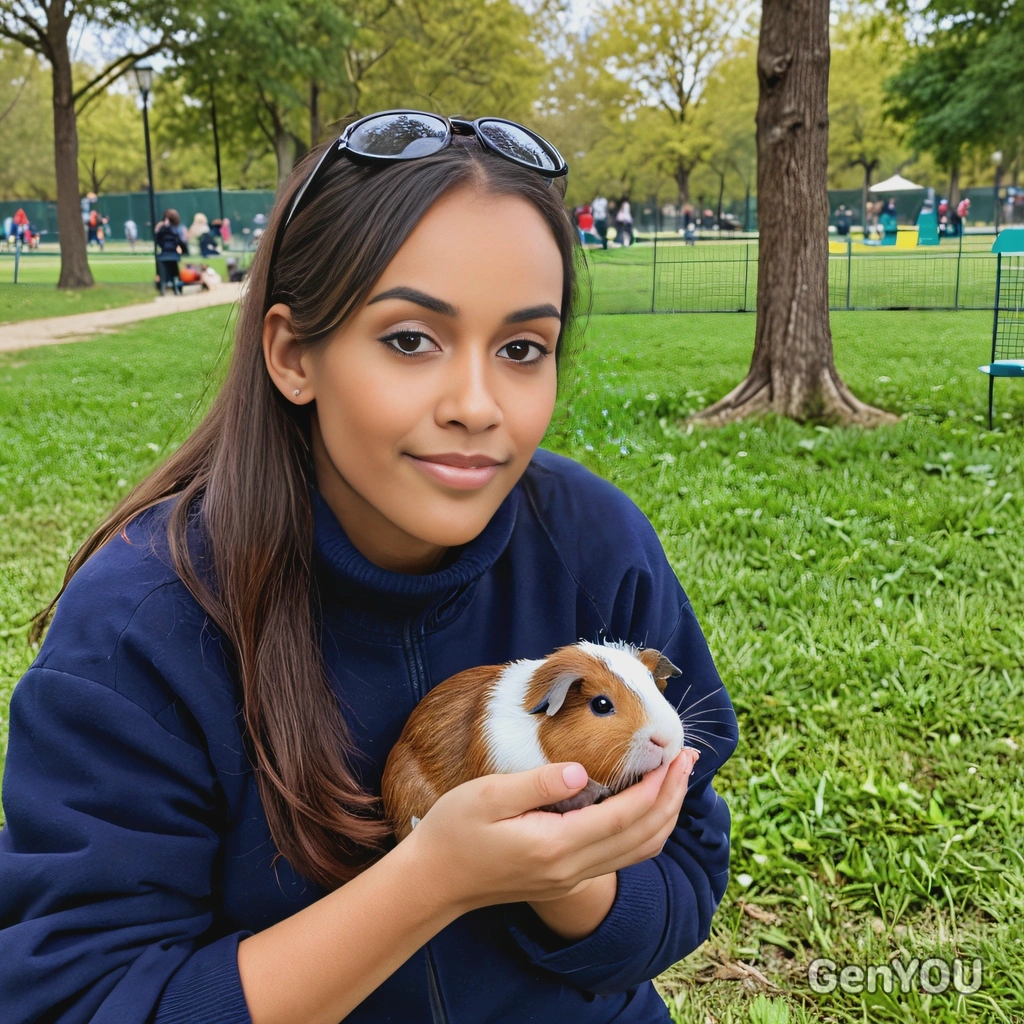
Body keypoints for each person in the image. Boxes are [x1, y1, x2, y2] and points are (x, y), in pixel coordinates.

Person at [0, 108, 738, 1024]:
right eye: (409, 339)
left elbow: (688, 876)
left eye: (522, 349)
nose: (476, 405)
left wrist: (562, 880)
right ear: (293, 354)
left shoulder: (597, 546)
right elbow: (78, 999)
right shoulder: (138, 624)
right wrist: (431, 882)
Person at [154, 208, 187, 295]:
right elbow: (181, 242)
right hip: (173, 254)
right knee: (174, 272)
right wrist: (184, 251)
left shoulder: (161, 229)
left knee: (163, 272)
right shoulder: (177, 229)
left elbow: (157, 241)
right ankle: (176, 288)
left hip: (163, 254)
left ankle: (163, 288)